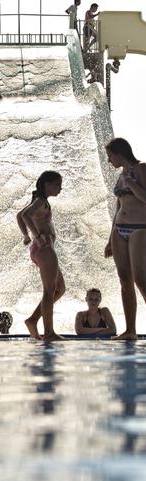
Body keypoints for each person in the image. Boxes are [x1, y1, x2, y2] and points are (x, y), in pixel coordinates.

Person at [104, 137, 146, 340]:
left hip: (140, 228)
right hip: (119, 230)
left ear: (120, 153)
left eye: (110, 156)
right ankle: (130, 331)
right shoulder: (121, 175)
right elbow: (119, 206)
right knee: (124, 280)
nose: (108, 160)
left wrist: (131, 183)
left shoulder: (141, 168)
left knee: (140, 278)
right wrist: (109, 238)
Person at [16, 171, 66, 340]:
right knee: (49, 290)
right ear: (46, 184)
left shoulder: (39, 201)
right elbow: (25, 215)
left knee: (59, 289)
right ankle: (49, 332)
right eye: (57, 185)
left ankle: (33, 320)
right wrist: (36, 236)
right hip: (44, 249)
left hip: (43, 248)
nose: (60, 188)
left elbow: (19, 215)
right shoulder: (40, 201)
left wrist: (26, 236)